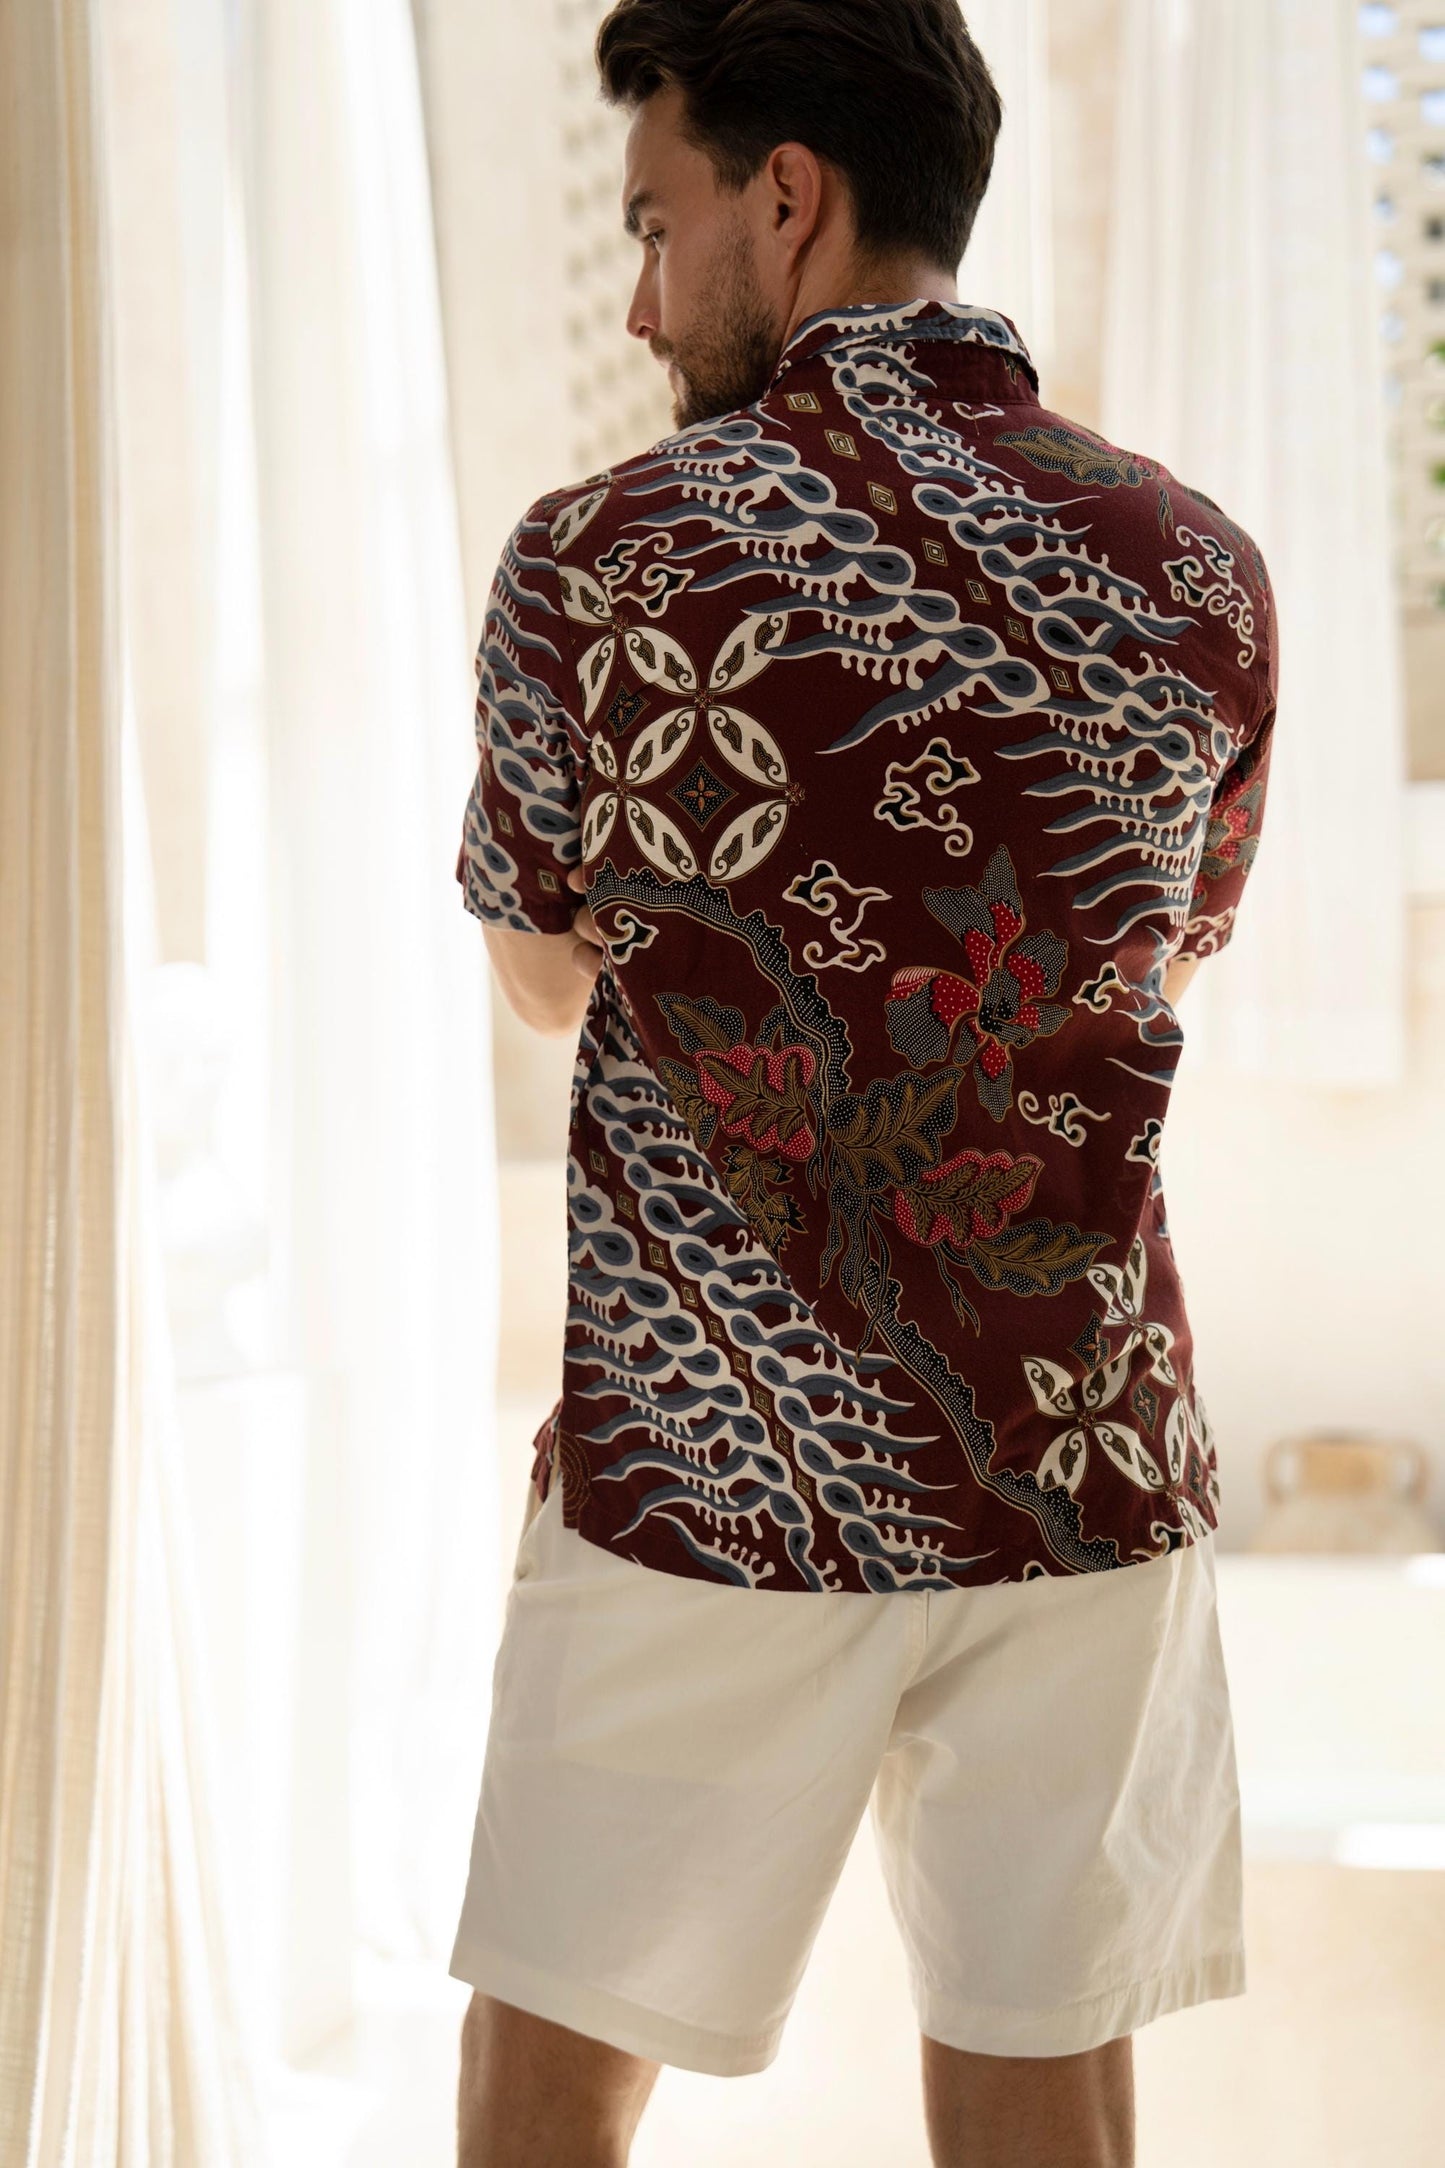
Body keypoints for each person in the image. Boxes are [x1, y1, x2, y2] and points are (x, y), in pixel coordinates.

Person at [448, 3, 1277, 2162]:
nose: (643, 303)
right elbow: (1168, 947)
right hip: (1076, 1460)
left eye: (657, 227)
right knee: (1046, 2107)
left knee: (548, 2100)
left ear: (789, 195)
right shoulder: (1204, 570)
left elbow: (538, 975)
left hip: (708, 1466)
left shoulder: (594, 561)